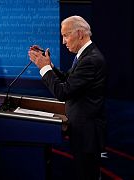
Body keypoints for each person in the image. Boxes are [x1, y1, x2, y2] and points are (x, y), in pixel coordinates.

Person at [28, 15, 107, 180]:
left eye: (66, 35)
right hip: (82, 130)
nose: (63, 41)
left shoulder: (90, 60)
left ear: (79, 34)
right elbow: (68, 81)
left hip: (87, 134)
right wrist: (49, 66)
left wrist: (44, 69)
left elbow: (63, 92)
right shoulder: (85, 55)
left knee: (87, 174)